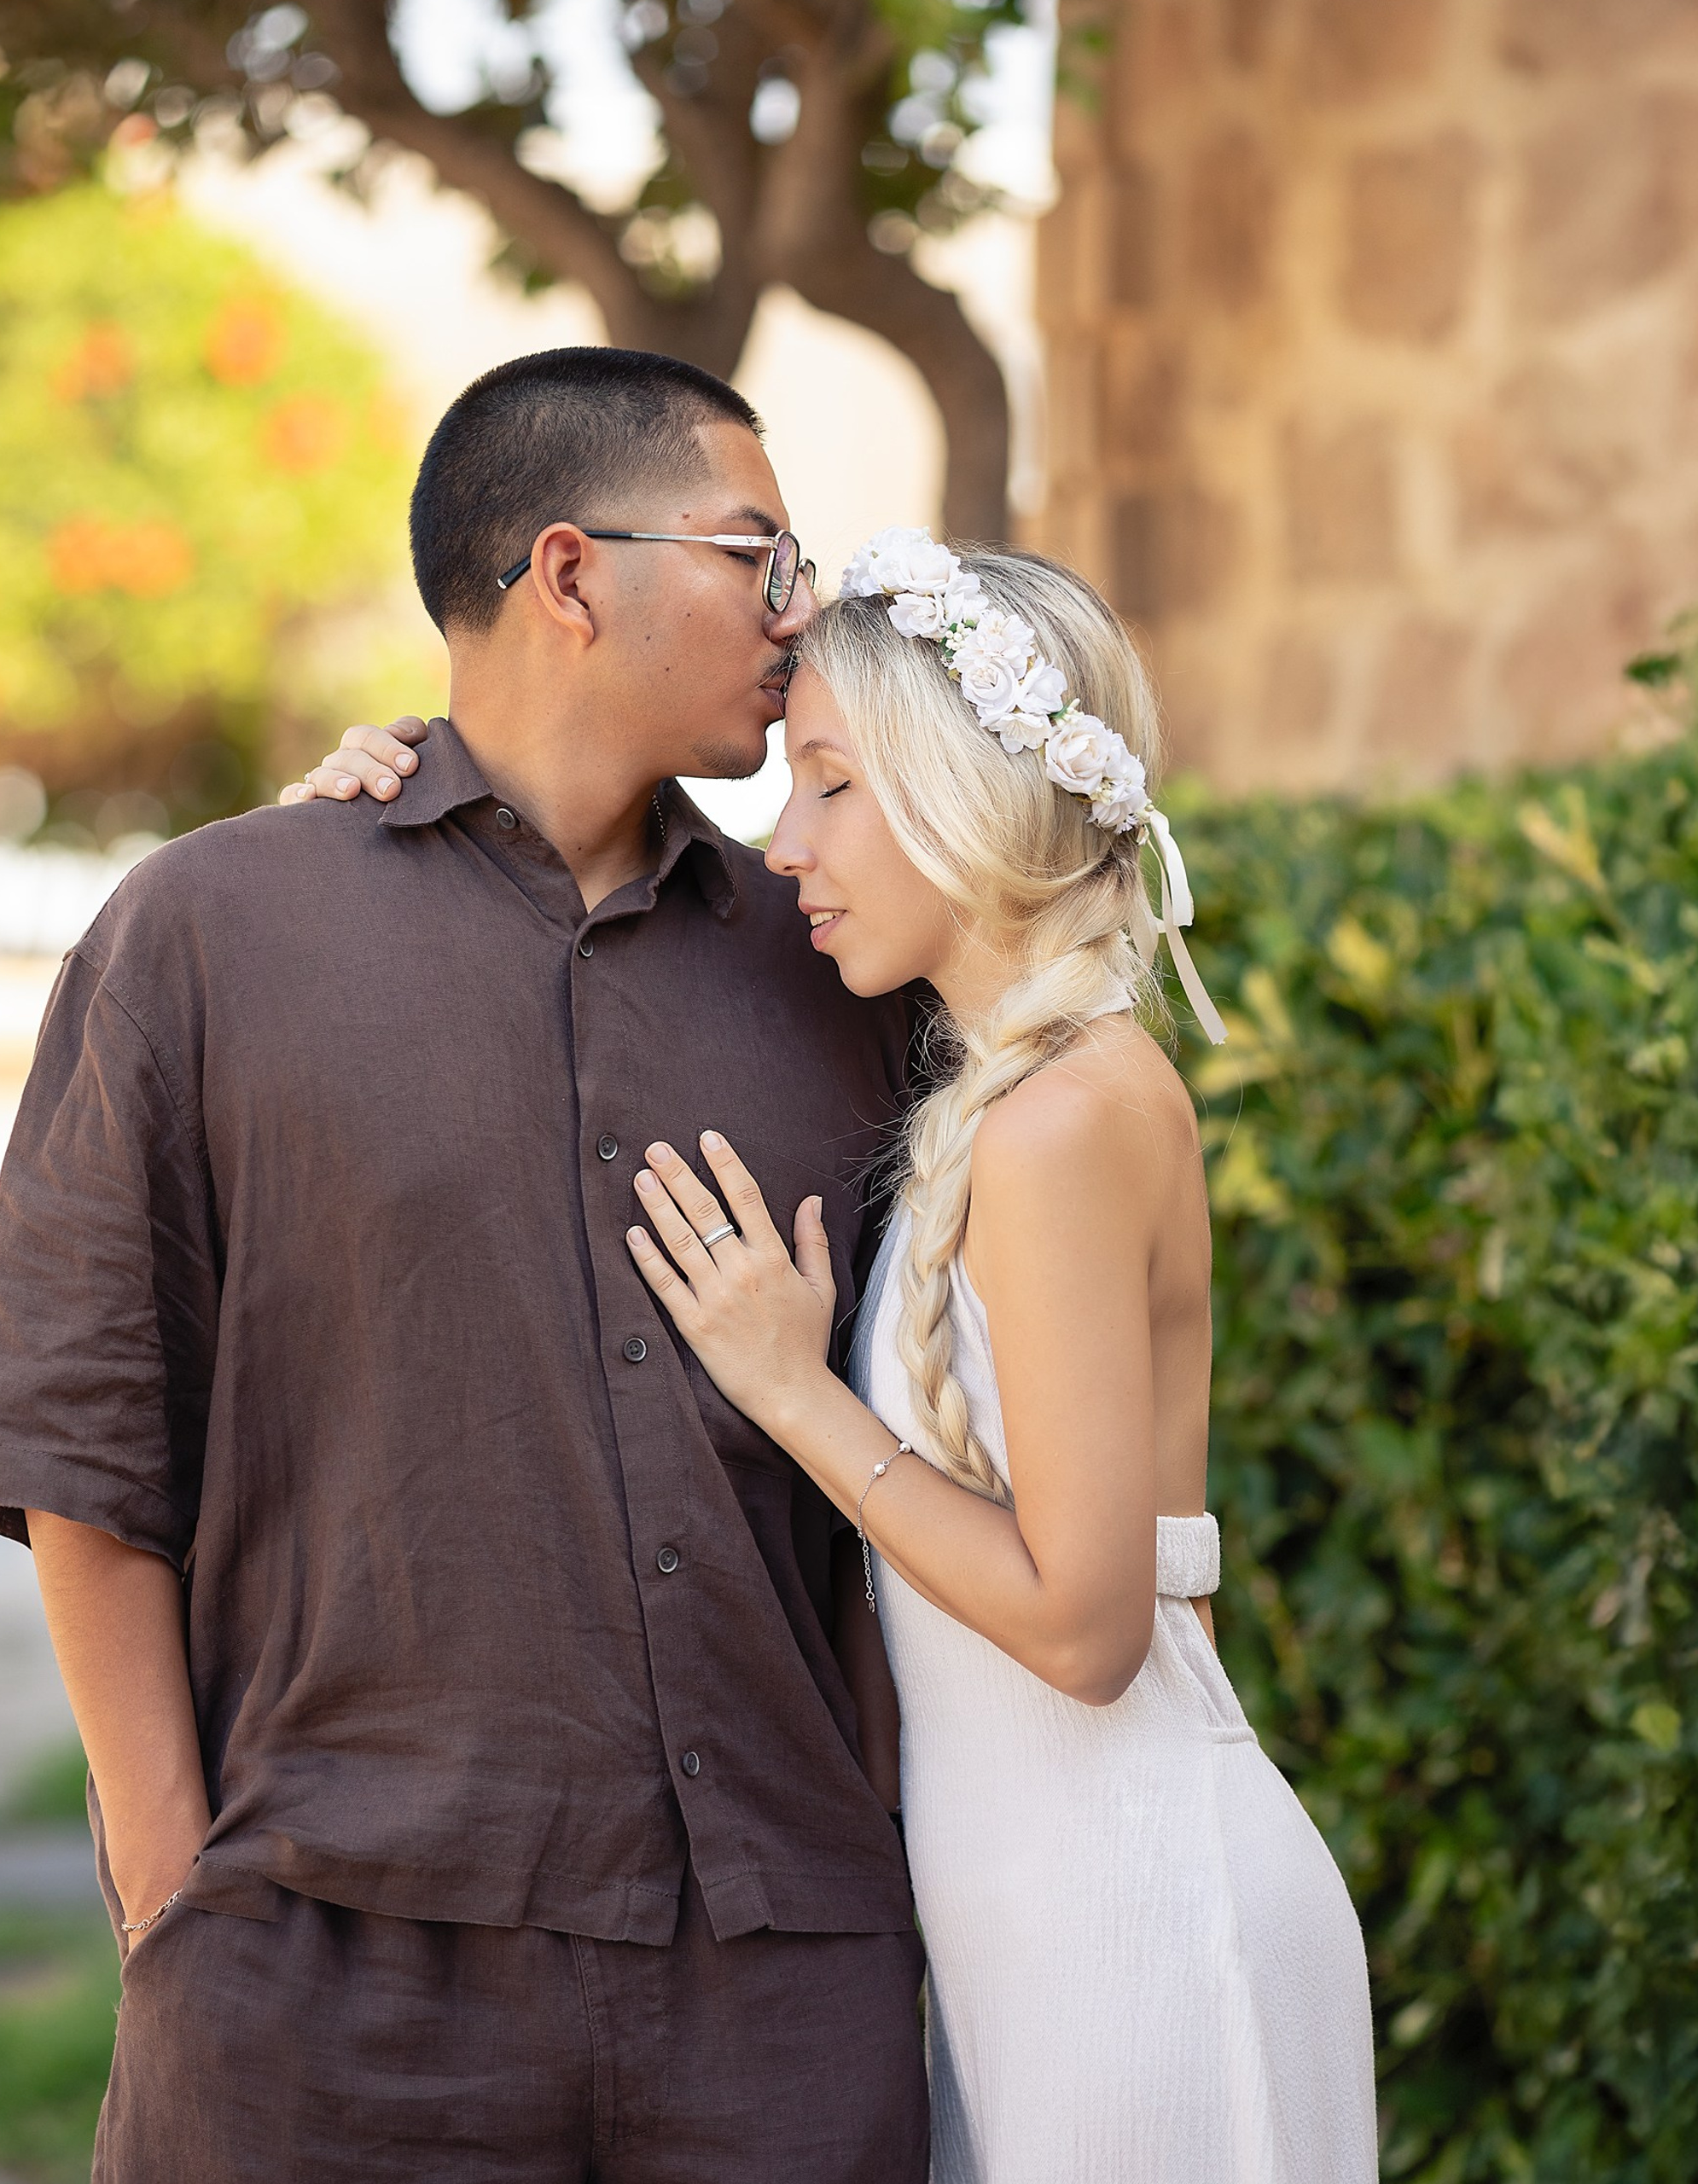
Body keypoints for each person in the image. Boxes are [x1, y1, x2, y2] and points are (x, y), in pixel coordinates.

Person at [0, 350, 932, 2184]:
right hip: (325, 1991)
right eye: (756, 552)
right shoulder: (212, 932)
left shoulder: (839, 961)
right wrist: (177, 1903)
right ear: (568, 574)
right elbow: (78, 1446)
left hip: (779, 1995)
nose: (804, 609)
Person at [312, 534, 1379, 2181]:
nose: (785, 845)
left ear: (963, 791)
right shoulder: (1003, 1090)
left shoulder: (1065, 1120)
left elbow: (1091, 1634)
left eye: (828, 786)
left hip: (1142, 1926)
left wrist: (794, 1393)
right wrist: (400, 797)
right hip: (1039, 1929)